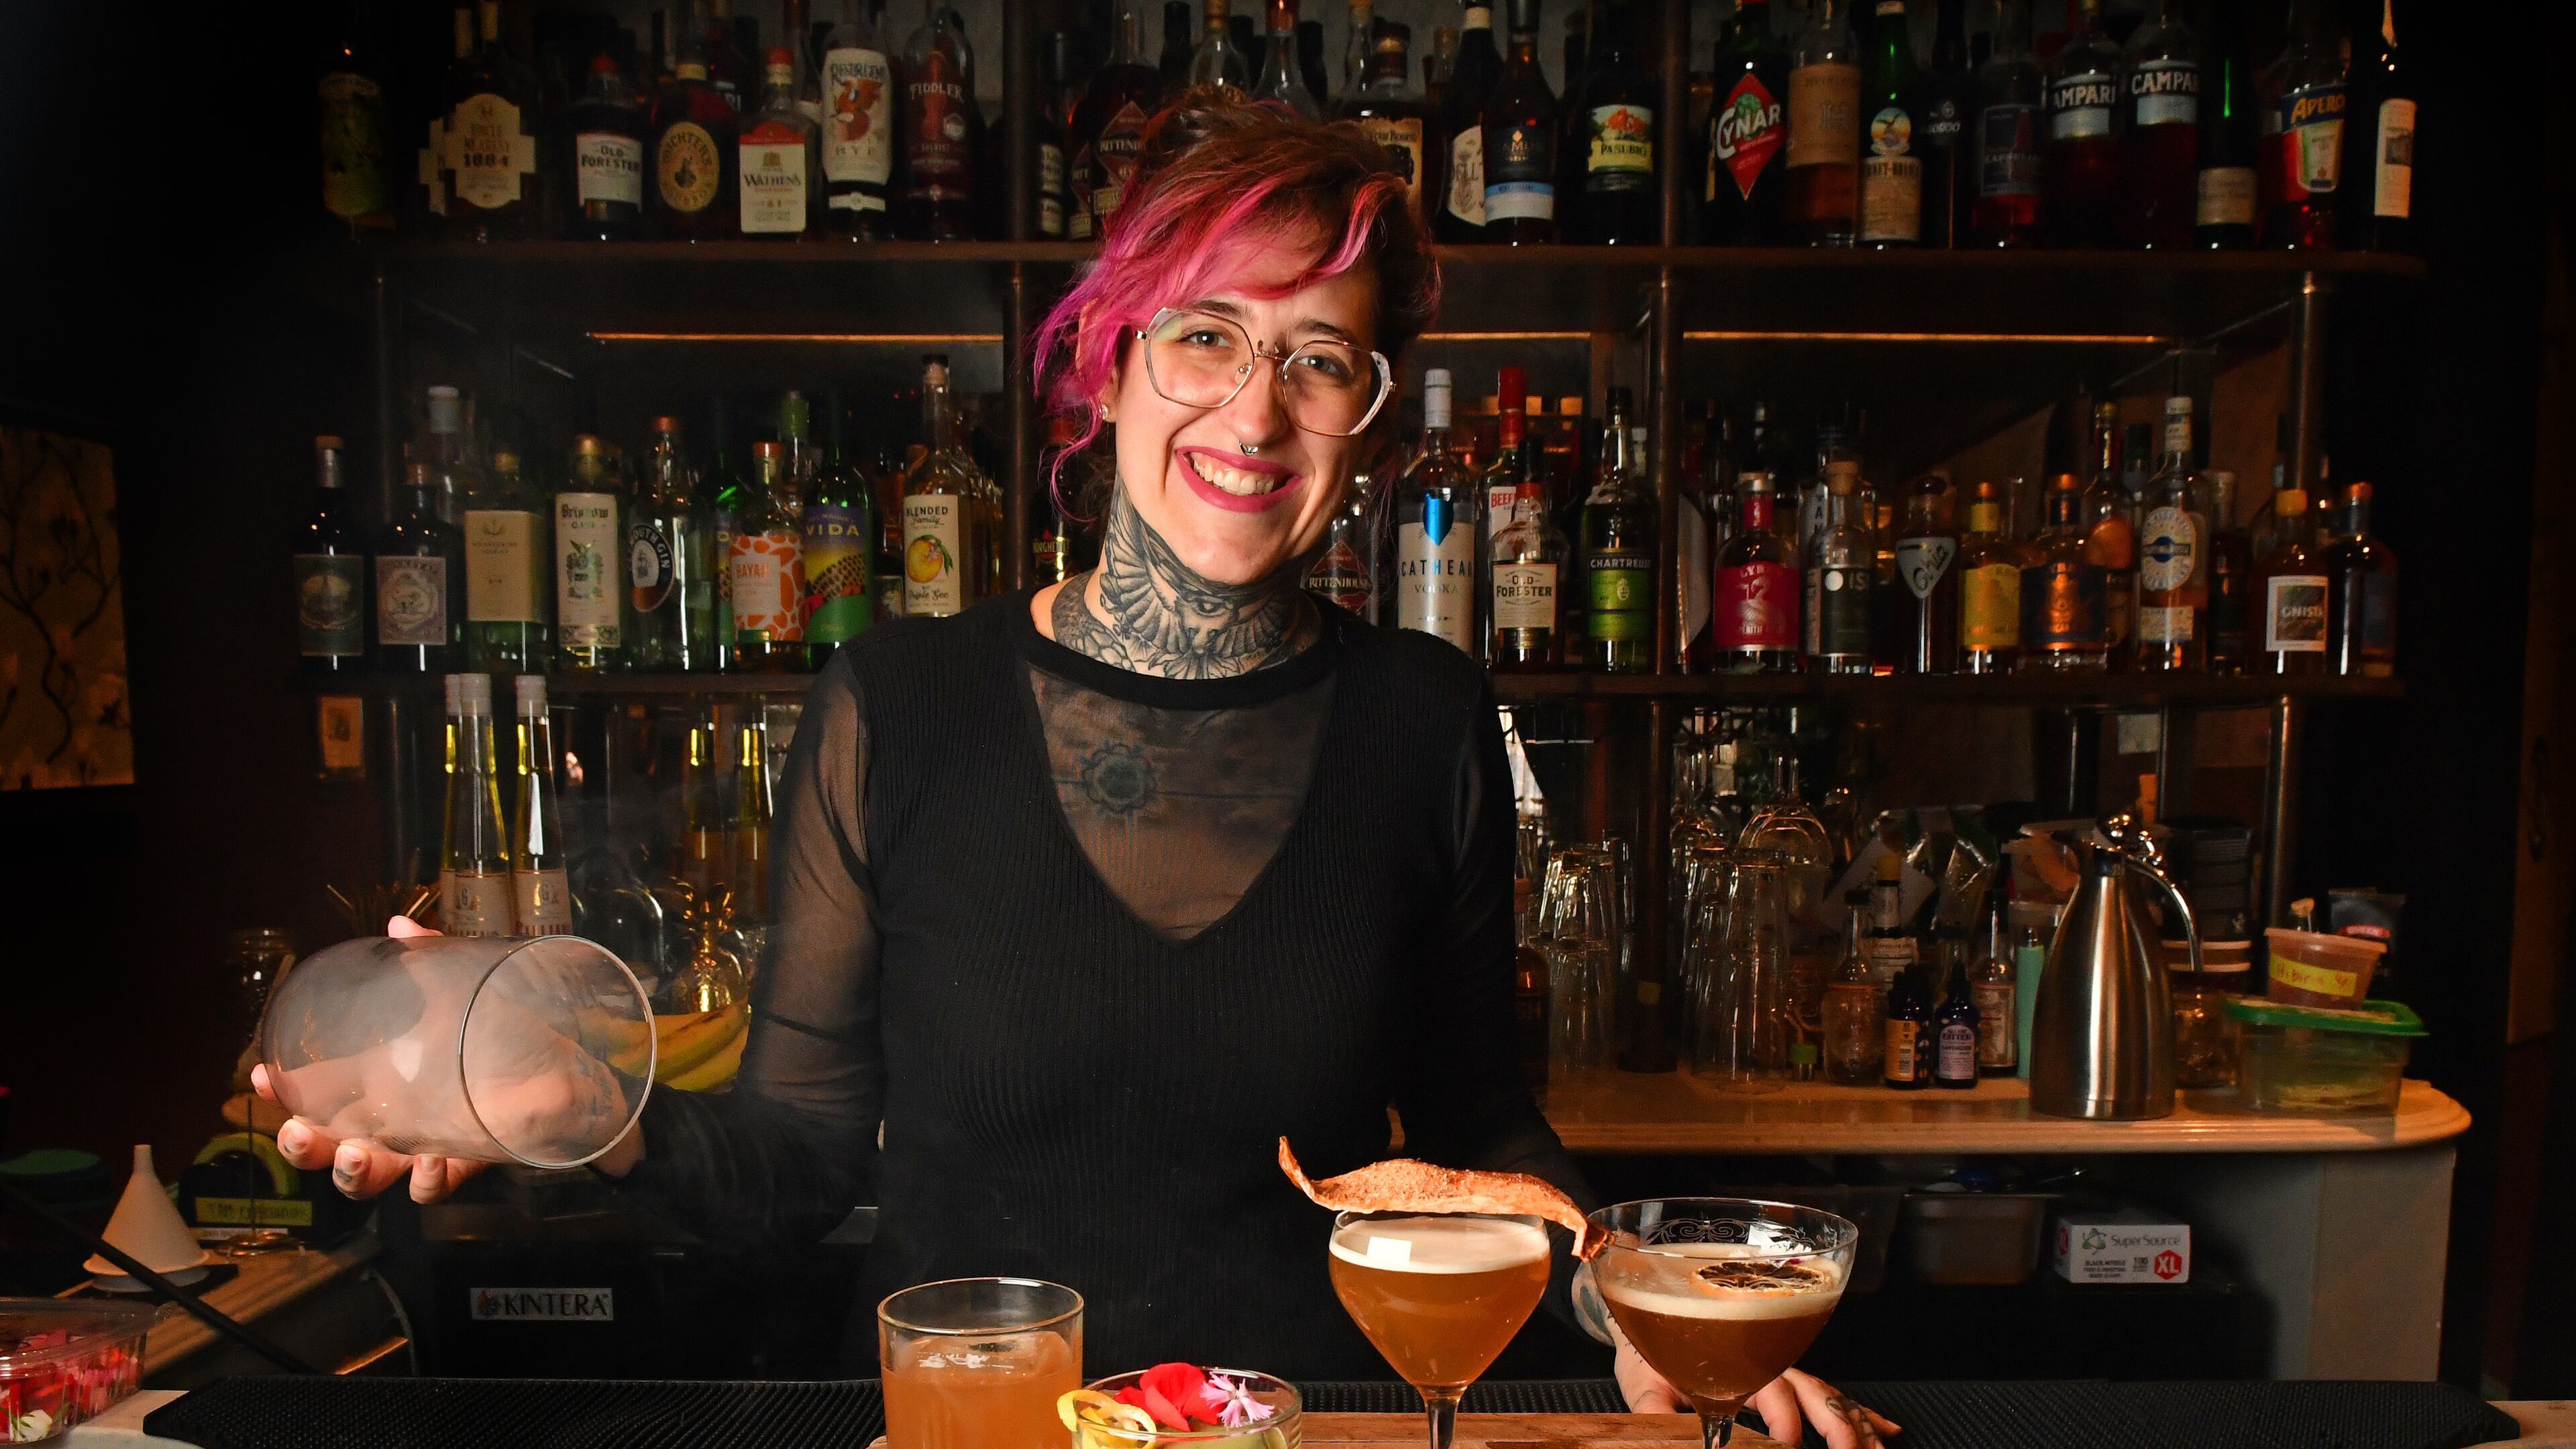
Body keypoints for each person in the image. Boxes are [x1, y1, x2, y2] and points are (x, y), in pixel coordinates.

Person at [257, 97, 1896, 1449]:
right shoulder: (897, 703)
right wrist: (591, 1114)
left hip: (1304, 1428)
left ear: (1368, 420)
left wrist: (1642, 1312)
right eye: (1206, 337)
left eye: (1322, 357)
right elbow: (795, 1169)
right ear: (1108, 366)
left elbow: (1476, 1126)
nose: (1257, 409)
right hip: (983, 1428)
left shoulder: (1424, 714)